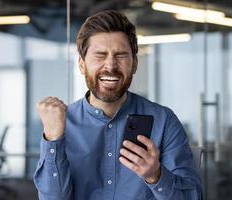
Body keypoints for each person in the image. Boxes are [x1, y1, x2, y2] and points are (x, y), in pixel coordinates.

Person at [33, 10, 202, 200]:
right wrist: (53, 140)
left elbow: (193, 197)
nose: (111, 65)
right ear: (81, 64)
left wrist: (156, 176)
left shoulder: (163, 121)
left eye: (120, 55)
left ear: (135, 63)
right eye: (100, 55)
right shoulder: (63, 124)